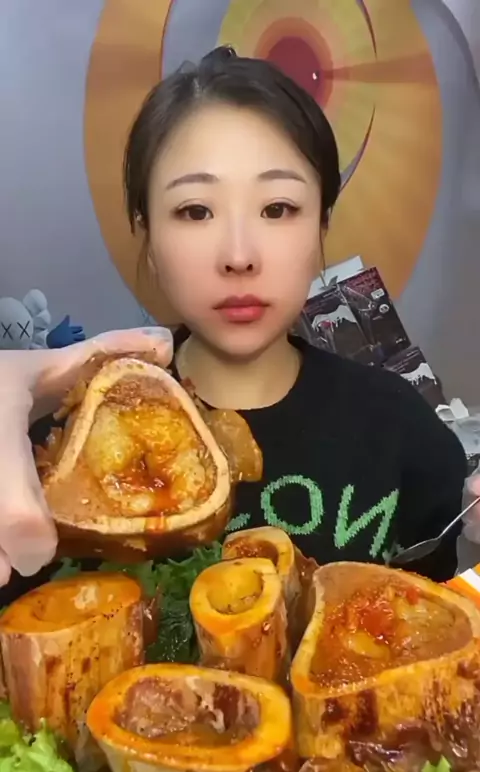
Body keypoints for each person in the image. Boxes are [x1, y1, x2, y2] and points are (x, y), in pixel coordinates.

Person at [0, 47, 467, 606]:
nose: (239, 255)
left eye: (278, 209)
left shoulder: (404, 435)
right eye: (196, 211)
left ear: (322, 223)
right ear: (146, 232)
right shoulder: (38, 455)